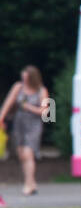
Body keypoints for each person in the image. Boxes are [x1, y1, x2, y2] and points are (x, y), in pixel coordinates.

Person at [0, 66, 50, 196]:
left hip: (34, 124)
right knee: (21, 153)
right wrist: (2, 117)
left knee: (28, 153)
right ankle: (32, 182)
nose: (24, 79)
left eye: (26, 77)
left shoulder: (42, 91)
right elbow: (8, 102)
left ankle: (28, 184)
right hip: (19, 122)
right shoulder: (18, 87)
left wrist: (27, 107)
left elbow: (45, 112)